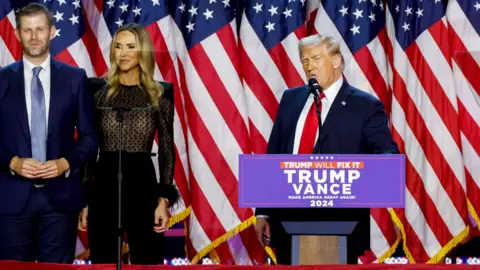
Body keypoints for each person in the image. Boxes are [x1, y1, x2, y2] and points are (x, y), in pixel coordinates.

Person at [254, 34, 400, 265]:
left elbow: (385, 152)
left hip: (340, 222)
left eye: (315, 58)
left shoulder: (364, 105)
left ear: (335, 61)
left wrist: (375, 168)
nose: (309, 66)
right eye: (304, 60)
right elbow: (275, 154)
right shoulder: (291, 99)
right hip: (287, 221)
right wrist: (264, 211)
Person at [0, 3, 98, 263]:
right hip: (11, 199)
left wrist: (65, 163)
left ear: (52, 31)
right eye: (27, 30)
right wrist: (13, 162)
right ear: (18, 33)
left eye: (40, 29)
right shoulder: (1, 80)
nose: (34, 37)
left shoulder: (75, 79)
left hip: (60, 200)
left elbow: (90, 138)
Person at [78, 23, 179, 265]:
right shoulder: (97, 91)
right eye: (118, 46)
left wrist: (163, 200)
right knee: (103, 259)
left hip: (143, 182)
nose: (122, 53)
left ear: (142, 51)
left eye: (130, 47)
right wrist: (84, 199)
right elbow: (90, 149)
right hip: (104, 181)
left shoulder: (160, 92)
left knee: (147, 259)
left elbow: (166, 147)